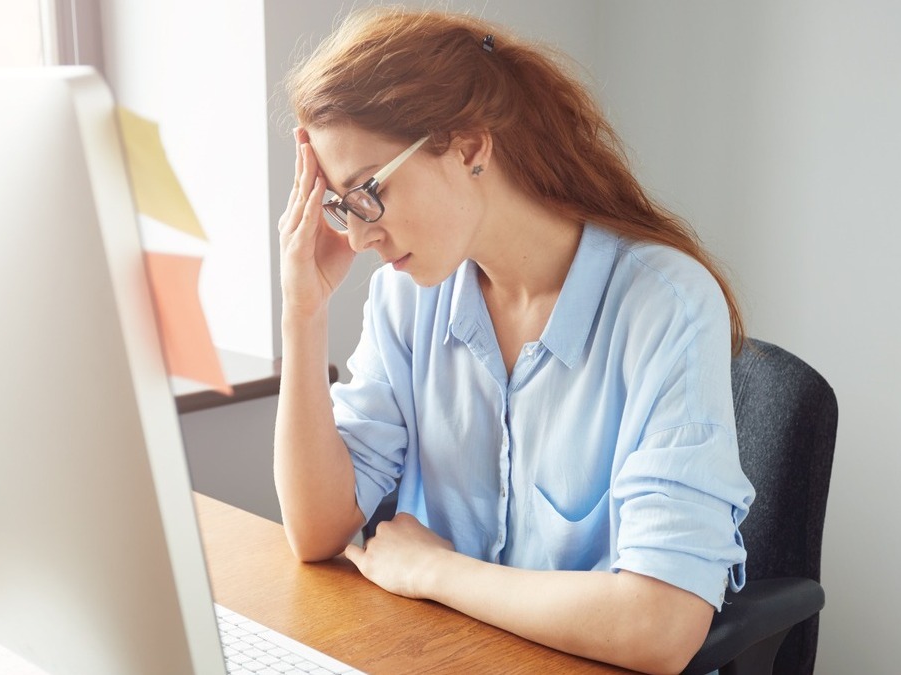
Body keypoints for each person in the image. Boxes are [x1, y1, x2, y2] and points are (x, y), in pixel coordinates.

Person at [273, 7, 755, 674]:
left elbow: (663, 625)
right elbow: (316, 529)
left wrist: (437, 571)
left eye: (368, 193)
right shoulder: (406, 296)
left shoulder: (665, 306)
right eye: (340, 205)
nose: (356, 239)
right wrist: (303, 313)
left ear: (470, 147)